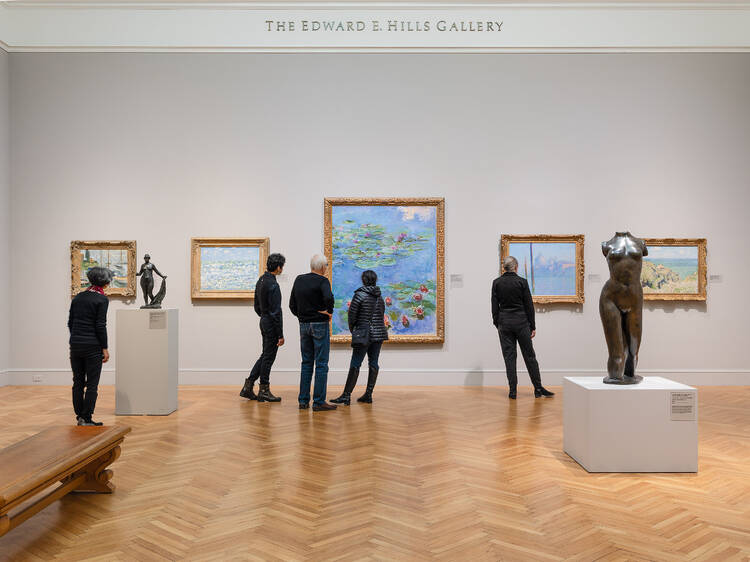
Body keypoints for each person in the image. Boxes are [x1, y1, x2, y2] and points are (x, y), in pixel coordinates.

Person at [491, 256, 554, 400]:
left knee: (509, 358)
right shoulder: (522, 282)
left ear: (504, 268)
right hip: (521, 323)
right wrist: (532, 325)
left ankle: (513, 391)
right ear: (516, 267)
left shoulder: (497, 283)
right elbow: (529, 306)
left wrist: (498, 323)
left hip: (504, 324)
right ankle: (538, 388)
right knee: (530, 356)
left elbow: (494, 307)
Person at [331, 270, 388, 405]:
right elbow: (381, 314)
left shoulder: (359, 295)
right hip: (378, 335)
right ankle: (368, 395)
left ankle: (346, 395)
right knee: (373, 363)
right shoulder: (379, 297)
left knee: (355, 364)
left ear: (363, 280)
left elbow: (352, 316)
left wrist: (354, 330)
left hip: (363, 335)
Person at [289, 254, 337, 411]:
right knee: (321, 364)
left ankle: (303, 401)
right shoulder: (323, 281)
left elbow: (292, 305)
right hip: (319, 325)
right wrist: (328, 312)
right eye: (327, 266)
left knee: (306, 362)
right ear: (323, 267)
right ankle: (318, 402)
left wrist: (302, 316)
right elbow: (329, 298)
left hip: (303, 325)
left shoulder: (299, 279)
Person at [68, 266, 112, 426]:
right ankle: (87, 418)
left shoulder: (78, 297)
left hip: (76, 345)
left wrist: (75, 339)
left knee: (78, 381)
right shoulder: (102, 299)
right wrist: (104, 348)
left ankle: (79, 416)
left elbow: (70, 323)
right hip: (92, 346)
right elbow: (100, 325)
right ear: (105, 282)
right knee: (92, 384)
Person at [240, 253, 286, 402]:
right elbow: (276, 312)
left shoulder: (261, 280)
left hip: (264, 320)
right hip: (271, 324)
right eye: (282, 266)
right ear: (278, 267)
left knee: (265, 355)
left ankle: (248, 386)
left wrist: (263, 316)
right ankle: (264, 390)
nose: (282, 269)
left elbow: (256, 306)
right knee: (268, 357)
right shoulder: (273, 284)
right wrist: (280, 334)